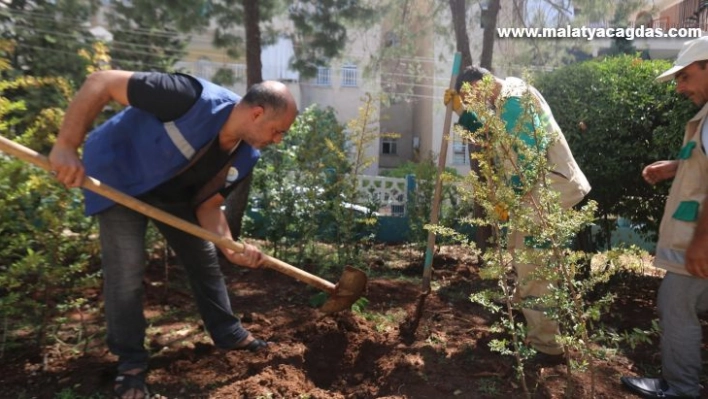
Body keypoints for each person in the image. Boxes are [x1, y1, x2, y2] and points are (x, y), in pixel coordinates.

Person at [48, 70, 298, 399]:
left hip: (169, 193)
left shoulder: (245, 155)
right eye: (278, 131)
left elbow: (209, 207)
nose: (278, 140)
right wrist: (66, 145)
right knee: (126, 270)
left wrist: (230, 248)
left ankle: (228, 332)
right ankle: (131, 364)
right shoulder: (187, 97)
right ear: (257, 113)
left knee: (204, 258)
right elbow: (101, 81)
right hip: (117, 177)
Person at [444, 66, 591, 357]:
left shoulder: (513, 100)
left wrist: (507, 199)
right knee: (523, 258)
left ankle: (546, 348)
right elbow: (493, 136)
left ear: (481, 83)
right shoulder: (508, 98)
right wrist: (463, 113)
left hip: (546, 191)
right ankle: (530, 330)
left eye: (469, 96)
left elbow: (524, 159)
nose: (472, 103)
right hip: (540, 190)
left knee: (533, 268)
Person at [620, 36, 708, 399]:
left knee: (676, 302)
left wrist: (702, 241)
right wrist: (674, 167)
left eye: (685, 76)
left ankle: (682, 389)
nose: (679, 86)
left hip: (700, 239)